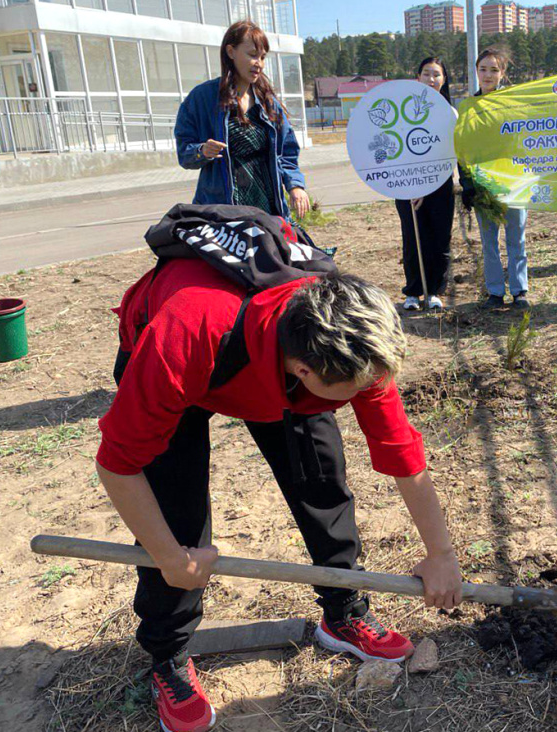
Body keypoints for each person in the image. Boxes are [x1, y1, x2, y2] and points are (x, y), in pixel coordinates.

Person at [96, 220, 462, 732]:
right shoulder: (183, 334)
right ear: (304, 370)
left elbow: (400, 449)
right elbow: (118, 463)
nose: (367, 396)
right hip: (192, 356)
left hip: (269, 362)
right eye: (352, 392)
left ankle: (343, 609)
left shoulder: (352, 340)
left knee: (322, 481)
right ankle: (169, 656)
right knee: (176, 514)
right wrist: (170, 558)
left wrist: (441, 553)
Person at [175, 20, 311, 220]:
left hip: (267, 208)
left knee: (281, 250)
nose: (259, 63)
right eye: (252, 55)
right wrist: (202, 151)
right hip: (221, 213)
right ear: (231, 52)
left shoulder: (268, 103)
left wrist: (295, 186)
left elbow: (286, 153)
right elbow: (184, 152)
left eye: (263, 57)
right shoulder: (202, 98)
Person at [460, 48, 530, 309]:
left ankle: (520, 290)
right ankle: (495, 292)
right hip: (483, 185)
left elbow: (526, 140)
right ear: (476, 71)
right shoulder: (469, 108)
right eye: (483, 69)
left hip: (513, 182)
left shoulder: (513, 104)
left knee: (516, 238)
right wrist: (467, 184)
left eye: (494, 69)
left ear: (503, 73)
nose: (488, 75)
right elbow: (463, 149)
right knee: (489, 241)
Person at [396, 57, 456, 312]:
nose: (431, 79)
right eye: (426, 74)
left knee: (440, 240)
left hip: (441, 185)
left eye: (437, 75)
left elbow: (451, 153)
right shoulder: (404, 110)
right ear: (417, 78)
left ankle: (434, 291)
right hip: (408, 186)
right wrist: (413, 188)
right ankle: (413, 292)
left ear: (444, 81)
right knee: (413, 238)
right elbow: (399, 149)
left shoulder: (450, 112)